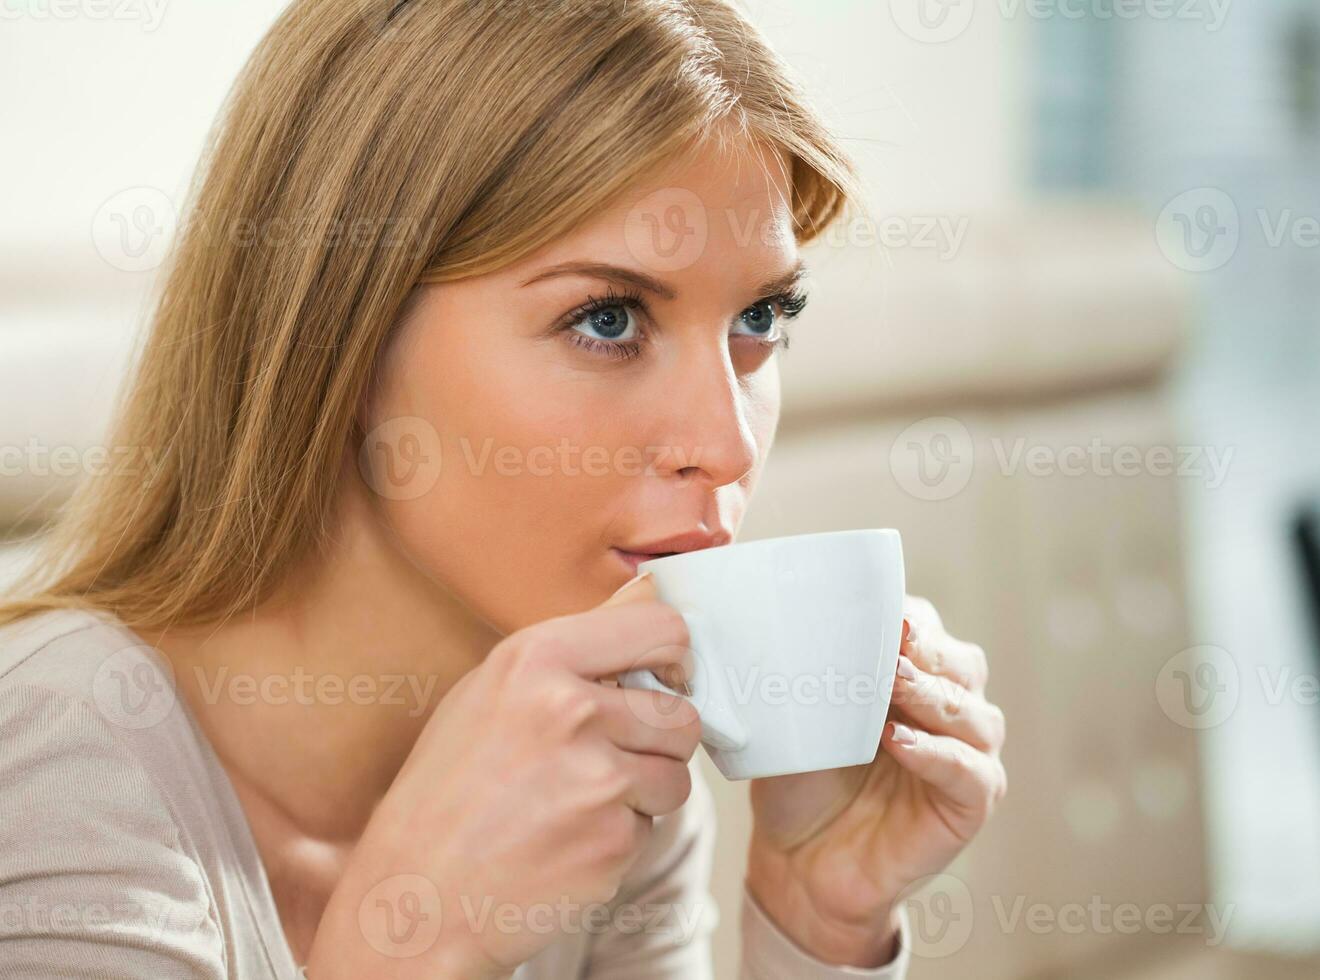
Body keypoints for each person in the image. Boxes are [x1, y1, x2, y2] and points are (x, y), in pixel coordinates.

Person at [0, 1, 1007, 976]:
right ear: (338, 340)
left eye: (760, 318)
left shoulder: (604, 755)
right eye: (608, 319)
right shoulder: (60, 765)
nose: (729, 444)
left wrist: (818, 925)